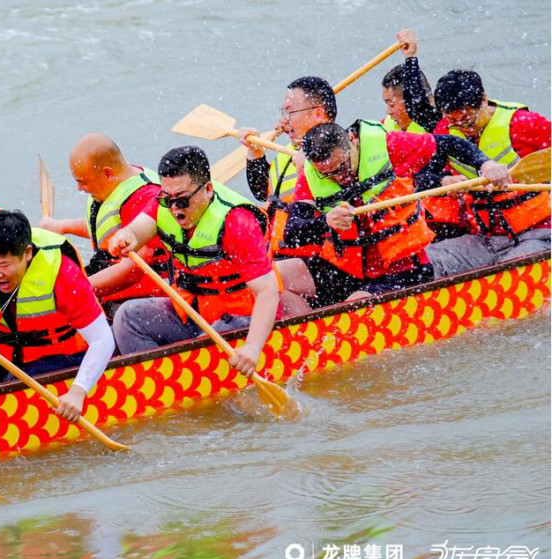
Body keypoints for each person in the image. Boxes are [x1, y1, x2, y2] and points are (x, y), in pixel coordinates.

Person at [275, 121, 512, 316]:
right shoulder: (312, 173)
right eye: (329, 173)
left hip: (401, 268)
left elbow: (451, 144)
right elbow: (294, 232)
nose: (339, 177)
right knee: (274, 277)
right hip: (348, 269)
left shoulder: (389, 144)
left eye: (343, 166)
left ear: (352, 140)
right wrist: (325, 222)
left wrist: (487, 164)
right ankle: (308, 336)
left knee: (354, 306)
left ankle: (340, 329)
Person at [108, 146, 278, 379]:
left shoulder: (237, 223)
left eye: (183, 200)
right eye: (168, 199)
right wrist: (125, 236)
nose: (175, 209)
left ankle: (185, 381)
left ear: (208, 189)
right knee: (128, 316)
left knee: (200, 347)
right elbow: (137, 231)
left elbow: (267, 293)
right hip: (192, 310)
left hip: (239, 316)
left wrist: (252, 347)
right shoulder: (164, 204)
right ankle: (155, 382)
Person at [0, 211, 115, 423]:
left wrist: (78, 392)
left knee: (17, 378)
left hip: (67, 358)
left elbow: (103, 340)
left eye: (3, 265)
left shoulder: (63, 273)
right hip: (10, 355)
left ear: (27, 253)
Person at [399, 32, 551, 274]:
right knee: (422, 263)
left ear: (483, 99)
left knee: (509, 271)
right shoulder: (446, 131)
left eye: (468, 119)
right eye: (454, 121)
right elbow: (416, 175)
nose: (463, 127)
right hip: (484, 239)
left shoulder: (525, 124)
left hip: (537, 233)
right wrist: (445, 180)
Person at [39, 133, 168, 313]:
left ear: (108, 173)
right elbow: (106, 230)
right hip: (111, 291)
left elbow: (133, 270)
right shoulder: (122, 179)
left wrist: (79, 289)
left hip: (141, 302)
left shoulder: (144, 197)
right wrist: (62, 226)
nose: (79, 188)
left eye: (83, 182)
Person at [380, 30, 474, 241]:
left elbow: (417, 105)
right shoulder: (383, 131)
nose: (387, 111)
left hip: (455, 216)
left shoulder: (438, 125)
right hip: (421, 219)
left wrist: (411, 58)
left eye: (391, 103)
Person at [238, 76, 337, 260]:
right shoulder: (291, 149)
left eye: (290, 112)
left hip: (314, 260)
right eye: (283, 113)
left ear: (318, 114)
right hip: (277, 253)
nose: (284, 120)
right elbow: (262, 192)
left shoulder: (336, 154)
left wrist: (308, 167)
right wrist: (256, 153)